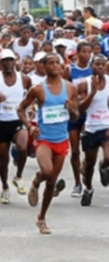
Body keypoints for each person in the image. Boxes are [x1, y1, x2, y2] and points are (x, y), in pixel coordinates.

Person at [17, 53, 78, 234]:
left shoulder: (70, 88)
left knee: (51, 183)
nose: (55, 66)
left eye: (57, 63)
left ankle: (41, 217)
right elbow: (21, 108)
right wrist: (29, 126)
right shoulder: (38, 89)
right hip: (43, 138)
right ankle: (36, 181)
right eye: (50, 63)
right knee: (47, 171)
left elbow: (75, 116)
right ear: (43, 67)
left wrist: (72, 109)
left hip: (61, 139)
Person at [0, 49, 31, 204]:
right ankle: (5, 187)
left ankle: (18, 176)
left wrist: (30, 109)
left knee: (22, 147)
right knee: (4, 160)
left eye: (10, 60)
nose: (8, 63)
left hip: (18, 120)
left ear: (15, 61)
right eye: (5, 60)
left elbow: (31, 96)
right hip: (1, 122)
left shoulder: (24, 79)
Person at [76, 56, 109, 206]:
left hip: (106, 127)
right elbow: (81, 108)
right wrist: (93, 92)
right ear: (92, 66)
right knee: (89, 163)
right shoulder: (84, 84)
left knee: (108, 157)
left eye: (103, 64)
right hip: (90, 127)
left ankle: (104, 167)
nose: (100, 67)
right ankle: (88, 188)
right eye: (97, 64)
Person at [63, 41, 92, 197]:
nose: (86, 55)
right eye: (84, 52)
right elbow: (63, 88)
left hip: (89, 114)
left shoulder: (94, 69)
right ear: (77, 53)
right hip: (74, 114)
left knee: (89, 151)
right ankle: (77, 183)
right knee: (74, 151)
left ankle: (86, 176)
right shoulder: (70, 69)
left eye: (89, 52)